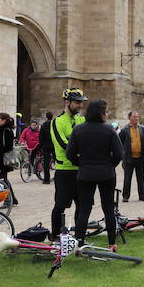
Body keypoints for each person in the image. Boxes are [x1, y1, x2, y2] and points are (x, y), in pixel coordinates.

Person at [66, 99, 123, 251]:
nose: (107, 113)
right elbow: (119, 153)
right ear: (101, 113)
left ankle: (79, 242)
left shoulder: (78, 129)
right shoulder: (109, 129)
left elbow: (70, 153)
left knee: (84, 208)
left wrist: (81, 163)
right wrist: (110, 165)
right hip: (106, 173)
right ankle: (112, 243)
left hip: (85, 173)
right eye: (106, 111)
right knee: (108, 208)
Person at [49, 88, 88, 239]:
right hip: (65, 170)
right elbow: (63, 144)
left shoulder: (81, 120)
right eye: (78, 102)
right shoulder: (57, 122)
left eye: (81, 102)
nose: (80, 105)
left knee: (82, 204)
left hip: (80, 170)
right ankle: (55, 235)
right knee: (60, 205)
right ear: (67, 102)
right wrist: (81, 153)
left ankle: (79, 235)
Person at [118, 110, 144, 202]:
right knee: (127, 178)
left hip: (140, 157)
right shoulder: (124, 130)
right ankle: (125, 196)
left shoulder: (143, 129)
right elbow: (120, 143)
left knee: (141, 178)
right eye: (134, 117)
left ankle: (142, 195)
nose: (136, 118)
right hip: (129, 158)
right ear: (130, 118)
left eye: (137, 117)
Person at [0, 112, 19, 206]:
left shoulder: (5, 130)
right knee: (3, 180)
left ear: (3, 120)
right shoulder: (3, 129)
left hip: (2, 160)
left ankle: (9, 201)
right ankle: (12, 200)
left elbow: (7, 146)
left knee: (3, 180)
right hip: (0, 159)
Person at [38, 111, 54, 184]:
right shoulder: (54, 124)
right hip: (54, 145)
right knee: (58, 161)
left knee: (46, 163)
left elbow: (41, 137)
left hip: (46, 146)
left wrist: (41, 146)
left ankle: (46, 179)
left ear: (46, 117)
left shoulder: (44, 125)